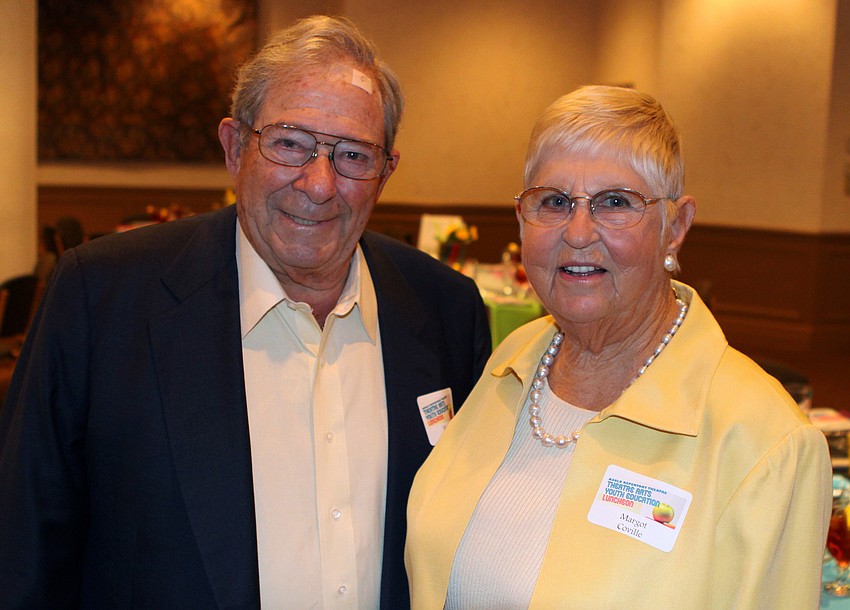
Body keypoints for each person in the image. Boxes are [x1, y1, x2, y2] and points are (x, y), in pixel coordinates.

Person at [0, 15, 490, 609]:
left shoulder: (445, 308)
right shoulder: (101, 298)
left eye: (353, 155)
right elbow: (23, 551)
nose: (319, 183)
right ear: (235, 148)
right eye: (289, 143)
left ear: (385, 173)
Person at [405, 85, 831, 609]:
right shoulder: (512, 362)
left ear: (675, 228)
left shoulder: (766, 444)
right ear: (522, 218)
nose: (578, 232)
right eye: (554, 202)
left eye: (615, 203)